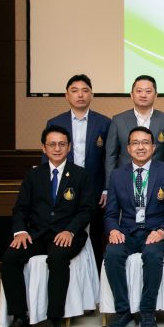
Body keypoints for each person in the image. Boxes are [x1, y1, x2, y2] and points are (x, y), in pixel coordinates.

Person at [0, 125, 94, 327]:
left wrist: (70, 231)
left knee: (57, 258)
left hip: (67, 235)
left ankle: (53, 319)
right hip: (37, 234)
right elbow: (20, 209)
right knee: (10, 258)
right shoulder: (33, 175)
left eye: (62, 144)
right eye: (52, 144)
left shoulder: (81, 175)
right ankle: (20, 318)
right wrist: (20, 231)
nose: (57, 148)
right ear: (44, 148)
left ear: (69, 147)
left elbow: (87, 210)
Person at [103, 126, 164, 327]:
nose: (140, 147)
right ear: (128, 148)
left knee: (153, 254)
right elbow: (111, 213)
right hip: (128, 232)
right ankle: (123, 313)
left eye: (145, 142)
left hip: (158, 232)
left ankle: (147, 313)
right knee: (112, 254)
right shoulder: (117, 175)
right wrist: (113, 230)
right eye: (135, 143)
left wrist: (162, 231)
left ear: (154, 147)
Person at [45, 74, 111, 268]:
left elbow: (109, 158)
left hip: (96, 190)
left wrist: (106, 188)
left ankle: (95, 276)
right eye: (74, 91)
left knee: (96, 235)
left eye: (85, 91)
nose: (80, 95)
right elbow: (47, 159)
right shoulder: (55, 123)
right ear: (67, 95)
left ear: (92, 94)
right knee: (65, 232)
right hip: (65, 188)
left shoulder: (104, 123)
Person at [105, 75, 164, 192]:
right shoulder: (118, 120)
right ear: (131, 95)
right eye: (139, 91)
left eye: (148, 91)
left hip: (158, 181)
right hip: (125, 180)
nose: (143, 95)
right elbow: (111, 156)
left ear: (156, 95)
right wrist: (109, 187)